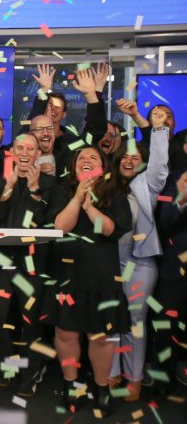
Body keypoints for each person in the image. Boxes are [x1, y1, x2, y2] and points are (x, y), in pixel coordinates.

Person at [45, 146, 132, 417]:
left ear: (103, 167)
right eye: (80, 157)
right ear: (73, 167)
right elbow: (60, 227)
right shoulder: (62, 190)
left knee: (101, 336)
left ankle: (102, 388)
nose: (86, 160)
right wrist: (76, 198)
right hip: (66, 276)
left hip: (101, 276)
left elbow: (109, 230)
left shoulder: (114, 192)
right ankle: (71, 385)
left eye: (93, 157)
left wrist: (89, 205)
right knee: (66, 333)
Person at [107, 109, 170, 402]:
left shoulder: (147, 185)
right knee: (110, 317)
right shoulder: (106, 186)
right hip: (108, 262)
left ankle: (134, 377)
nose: (129, 160)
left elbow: (159, 165)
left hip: (140, 262)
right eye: (126, 156)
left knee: (134, 320)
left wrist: (158, 130)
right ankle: (111, 372)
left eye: (136, 157)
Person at [0, 133, 56, 397]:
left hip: (33, 264)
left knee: (32, 322)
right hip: (0, 261)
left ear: (38, 154)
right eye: (20, 148)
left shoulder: (51, 183)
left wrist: (35, 189)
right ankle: (10, 367)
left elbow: (48, 222)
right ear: (12, 153)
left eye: (30, 149)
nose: (25, 153)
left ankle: (31, 374)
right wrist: (8, 188)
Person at [151, 168, 187, 396]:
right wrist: (181, 198)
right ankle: (163, 382)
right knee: (165, 328)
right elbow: (165, 220)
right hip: (175, 271)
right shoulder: (176, 179)